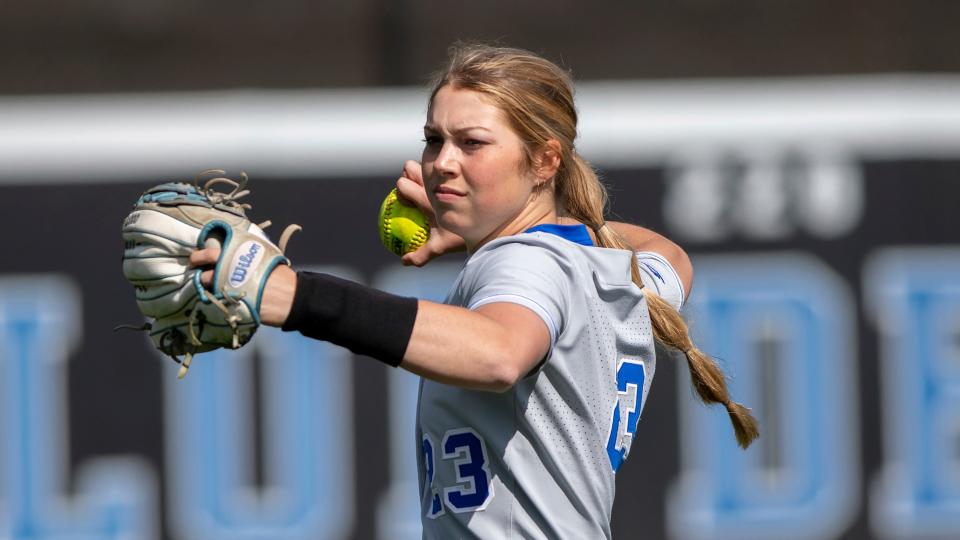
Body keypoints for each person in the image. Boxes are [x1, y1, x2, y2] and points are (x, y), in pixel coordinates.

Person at [191, 43, 758, 539]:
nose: (441, 163)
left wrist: (294, 296)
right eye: (434, 139)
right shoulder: (598, 264)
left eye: (473, 143)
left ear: (544, 160)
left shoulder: (525, 262)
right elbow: (671, 256)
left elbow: (498, 353)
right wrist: (504, 230)